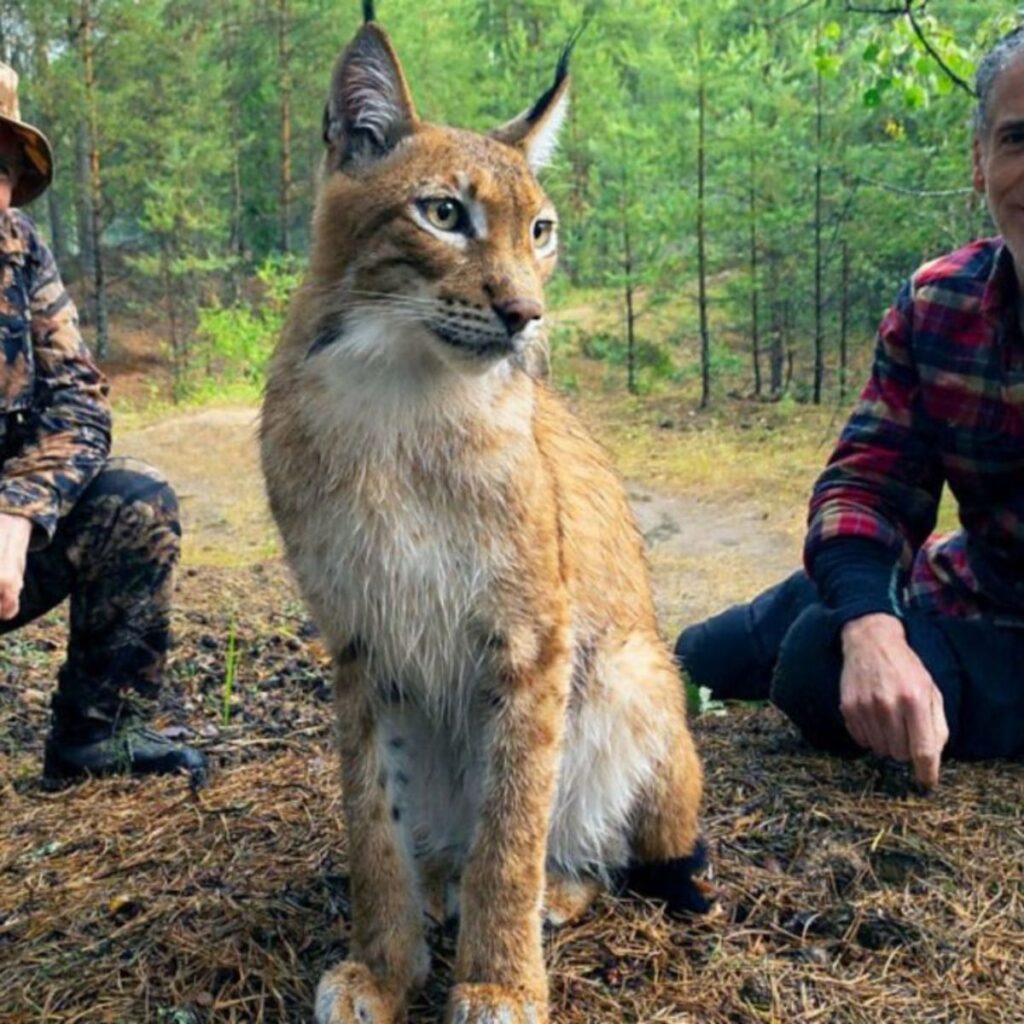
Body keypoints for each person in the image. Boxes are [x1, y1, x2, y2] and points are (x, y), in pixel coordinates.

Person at [675, 26, 1024, 790]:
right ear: (979, 164)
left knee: (812, 663)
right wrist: (873, 623)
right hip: (961, 587)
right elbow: (867, 485)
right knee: (695, 658)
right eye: (1017, 138)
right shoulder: (942, 305)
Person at [0, 63, 204, 783]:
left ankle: (98, 732)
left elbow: (79, 400)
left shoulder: (18, 251)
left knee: (135, 503)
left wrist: (18, 511)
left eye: (0, 165)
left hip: (4, 552)